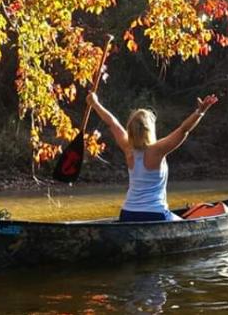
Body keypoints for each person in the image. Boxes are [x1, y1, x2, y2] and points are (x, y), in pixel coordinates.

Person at [86, 92, 218, 222]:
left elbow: (112, 123)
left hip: (127, 214)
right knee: (185, 223)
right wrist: (200, 111)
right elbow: (184, 129)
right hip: (155, 214)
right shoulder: (158, 150)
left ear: (130, 130)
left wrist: (95, 103)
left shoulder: (127, 148)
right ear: (150, 129)